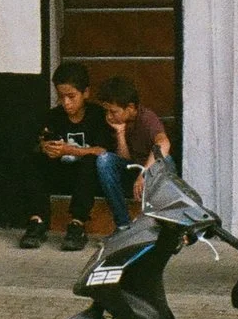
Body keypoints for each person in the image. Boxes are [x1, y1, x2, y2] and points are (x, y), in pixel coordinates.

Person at [25, 62, 119, 250]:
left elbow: (102, 151)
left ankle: (77, 224)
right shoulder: (54, 116)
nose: (66, 102)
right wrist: (46, 148)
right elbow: (42, 141)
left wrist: (70, 150)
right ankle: (38, 220)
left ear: (86, 93)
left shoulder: (97, 116)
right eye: (61, 97)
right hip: (61, 174)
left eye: (71, 96)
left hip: (87, 181)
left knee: (91, 160)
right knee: (34, 159)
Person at [95, 76, 171, 219]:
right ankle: (123, 224)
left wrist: (144, 174)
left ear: (130, 107)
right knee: (104, 160)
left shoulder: (147, 118)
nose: (109, 116)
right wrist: (120, 133)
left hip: (151, 175)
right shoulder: (119, 122)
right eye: (107, 112)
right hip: (133, 174)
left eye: (113, 111)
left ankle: (158, 221)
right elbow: (125, 159)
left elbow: (164, 144)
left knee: (167, 160)